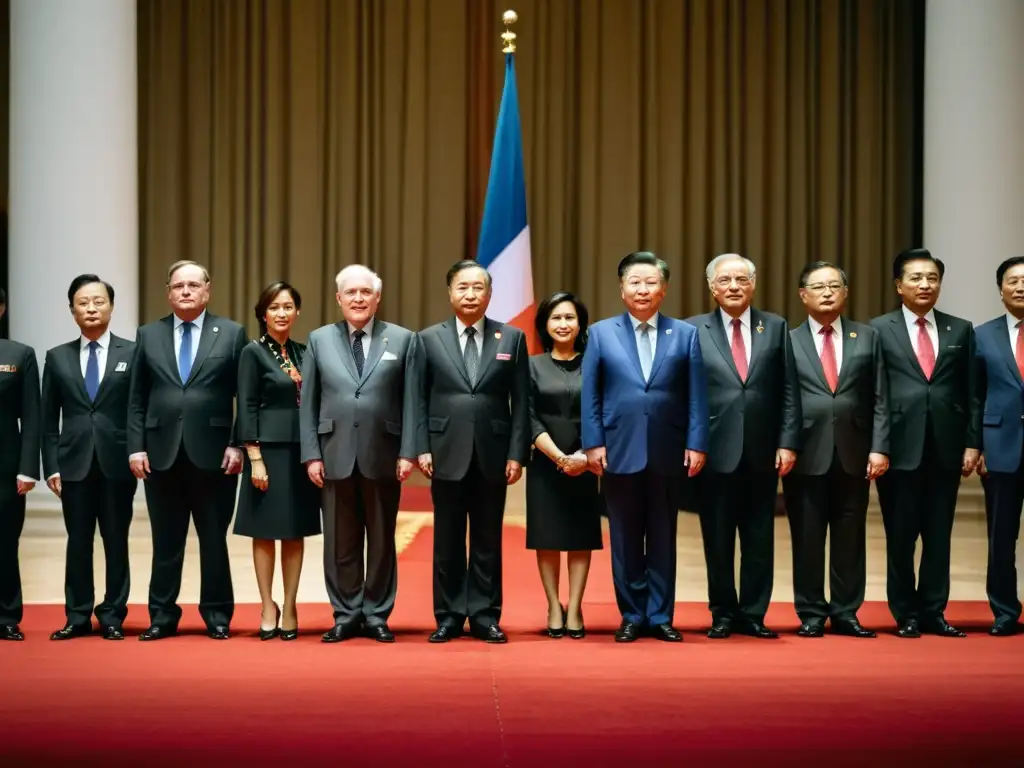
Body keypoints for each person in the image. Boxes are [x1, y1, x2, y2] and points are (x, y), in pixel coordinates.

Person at [581, 251, 709, 643]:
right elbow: (591, 395)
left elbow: (696, 396)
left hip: (670, 450)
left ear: (664, 289)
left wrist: (697, 442)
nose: (642, 289)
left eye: (650, 282)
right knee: (623, 537)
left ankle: (661, 615)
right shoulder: (601, 334)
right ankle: (632, 614)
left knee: (663, 535)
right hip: (617, 449)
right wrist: (593, 443)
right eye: (634, 282)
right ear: (622, 289)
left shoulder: (684, 334)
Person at [127, 260, 247, 641]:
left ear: (207, 290)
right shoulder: (148, 335)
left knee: (213, 539)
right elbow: (136, 400)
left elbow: (245, 398)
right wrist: (136, 448)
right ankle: (162, 615)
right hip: (160, 454)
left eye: (194, 285)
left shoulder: (230, 333)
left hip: (215, 455)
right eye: (178, 285)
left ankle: (216, 614)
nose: (186, 291)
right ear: (168, 292)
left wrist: (238, 443)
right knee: (166, 541)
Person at [300, 266, 418, 644]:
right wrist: (311, 454)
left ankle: (377, 613)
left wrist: (409, 451)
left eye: (366, 292)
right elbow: (309, 403)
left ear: (377, 297)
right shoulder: (319, 340)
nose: (358, 298)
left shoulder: (403, 339)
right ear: (338, 299)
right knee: (340, 542)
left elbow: (413, 401)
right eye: (350, 292)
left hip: (384, 453)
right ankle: (346, 613)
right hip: (333, 455)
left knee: (382, 540)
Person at [416, 259, 530, 644]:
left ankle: (484, 615)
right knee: (446, 539)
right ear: (450, 293)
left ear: (489, 294)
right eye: (462, 287)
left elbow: (521, 402)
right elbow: (416, 399)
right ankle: (448, 615)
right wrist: (421, 448)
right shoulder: (428, 339)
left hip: (493, 454)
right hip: (444, 451)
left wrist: (517, 453)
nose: (470, 295)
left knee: (487, 540)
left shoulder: (511, 339)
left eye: (478, 288)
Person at [688, 254, 800, 640]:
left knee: (758, 537)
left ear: (753, 284)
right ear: (711, 287)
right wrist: (693, 442)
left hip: (762, 450)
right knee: (716, 538)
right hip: (713, 451)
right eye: (725, 280)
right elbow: (686, 394)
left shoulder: (776, 326)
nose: (733, 286)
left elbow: (789, 390)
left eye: (741, 279)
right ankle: (722, 612)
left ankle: (753, 614)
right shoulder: (692, 330)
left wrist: (788, 442)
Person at [871, 248, 981, 638]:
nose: (925, 285)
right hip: (898, 449)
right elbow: (875, 394)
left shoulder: (960, 329)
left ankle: (934, 610)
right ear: (899, 285)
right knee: (901, 537)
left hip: (946, 448)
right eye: (916, 278)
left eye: (932, 278)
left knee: (938, 535)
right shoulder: (877, 330)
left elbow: (971, 393)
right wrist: (878, 445)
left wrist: (972, 442)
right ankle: (906, 613)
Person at [782, 261, 889, 638]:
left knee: (850, 537)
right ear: (803, 295)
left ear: (846, 292)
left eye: (834, 286)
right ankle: (810, 611)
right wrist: (784, 444)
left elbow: (880, 397)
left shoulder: (868, 337)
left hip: (855, 451)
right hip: (804, 452)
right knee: (807, 538)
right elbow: (783, 399)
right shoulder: (787, 340)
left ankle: (846, 612)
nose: (827, 292)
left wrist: (879, 447)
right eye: (818, 286)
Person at [41, 275, 138, 641]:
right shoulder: (57, 357)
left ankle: (113, 614)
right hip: (73, 464)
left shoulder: (131, 353)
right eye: (83, 303)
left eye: (99, 301)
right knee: (78, 541)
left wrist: (137, 451)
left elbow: (137, 410)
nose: (92, 308)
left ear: (111, 307)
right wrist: (51, 464)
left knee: (116, 540)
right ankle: (77, 614)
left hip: (117, 462)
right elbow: (48, 418)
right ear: (72, 310)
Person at [235, 282, 320, 641]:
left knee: (295, 530)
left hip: (300, 452)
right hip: (266, 452)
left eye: (288, 306)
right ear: (263, 314)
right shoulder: (253, 353)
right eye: (274, 307)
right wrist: (254, 457)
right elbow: (248, 404)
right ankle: (267, 604)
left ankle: (290, 603)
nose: (282, 313)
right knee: (266, 531)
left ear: (297, 311)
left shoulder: (305, 352)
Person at [527, 292, 602, 639]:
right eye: (555, 318)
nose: (563, 324)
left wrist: (584, 458)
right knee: (548, 537)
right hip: (546, 463)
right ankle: (553, 604)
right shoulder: (530, 365)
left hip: (586, 463)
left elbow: (605, 412)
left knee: (580, 536)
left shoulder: (596, 363)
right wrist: (558, 456)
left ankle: (575, 606)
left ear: (580, 324)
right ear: (544, 325)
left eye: (570, 317)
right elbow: (528, 417)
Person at [975, 256, 1024, 637]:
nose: (1021, 286)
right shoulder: (982, 335)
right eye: (1013, 280)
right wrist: (975, 446)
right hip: (1000, 448)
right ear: (1001, 289)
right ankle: (1005, 611)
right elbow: (973, 397)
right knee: (1001, 538)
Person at [0, 287, 41, 642]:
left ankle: (6, 616)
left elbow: (32, 417)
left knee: (4, 543)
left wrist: (28, 468)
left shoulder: (19, 354)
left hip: (5, 467)